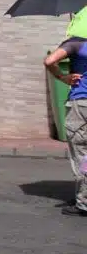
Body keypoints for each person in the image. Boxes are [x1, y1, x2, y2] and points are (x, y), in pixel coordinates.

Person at [44, 37, 87, 216]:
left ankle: (84, 202)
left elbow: (49, 61)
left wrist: (63, 77)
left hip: (82, 103)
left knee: (81, 152)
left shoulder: (77, 43)